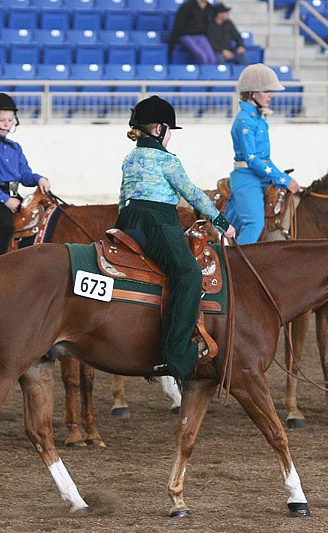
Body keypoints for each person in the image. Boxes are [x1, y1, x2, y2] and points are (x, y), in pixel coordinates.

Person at [115, 96, 236, 381]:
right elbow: (192, 193)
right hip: (156, 221)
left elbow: (122, 197)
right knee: (188, 274)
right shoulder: (167, 160)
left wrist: (119, 227)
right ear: (159, 129)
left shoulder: (129, 157)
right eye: (169, 130)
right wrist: (221, 222)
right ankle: (177, 351)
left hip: (129, 219)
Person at [224, 64, 301, 245]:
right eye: (267, 91)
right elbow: (252, 159)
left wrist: (281, 176)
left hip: (261, 175)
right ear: (252, 93)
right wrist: (283, 179)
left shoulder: (259, 119)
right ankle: (235, 266)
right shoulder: (244, 121)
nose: (271, 95)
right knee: (254, 223)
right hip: (246, 177)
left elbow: (266, 159)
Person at [0, 93, 50, 260]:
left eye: (10, 120)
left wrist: (38, 179)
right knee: (4, 226)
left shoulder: (15, 147)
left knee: (39, 219)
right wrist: (5, 200)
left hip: (14, 195)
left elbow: (24, 175)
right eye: (2, 120)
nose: (7, 124)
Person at [168, 0, 215, 64]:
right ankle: (203, 73)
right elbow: (178, 24)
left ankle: (209, 73)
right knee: (202, 57)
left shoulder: (209, 8)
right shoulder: (186, 6)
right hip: (187, 36)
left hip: (201, 36)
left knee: (212, 59)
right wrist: (172, 43)